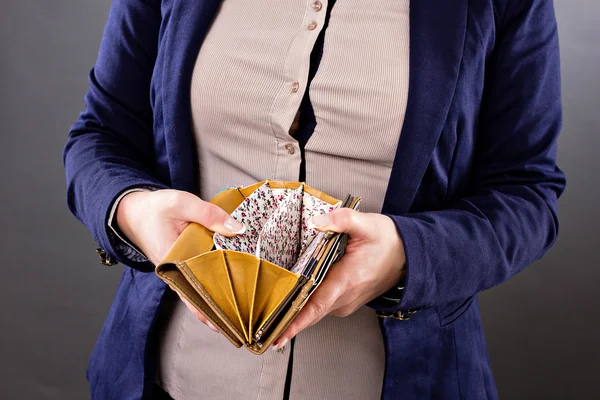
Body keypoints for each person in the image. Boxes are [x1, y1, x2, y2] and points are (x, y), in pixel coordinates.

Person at [63, 0, 566, 399]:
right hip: (165, 380)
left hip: (404, 379)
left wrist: (410, 256)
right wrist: (131, 208)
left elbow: (527, 190)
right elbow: (100, 136)